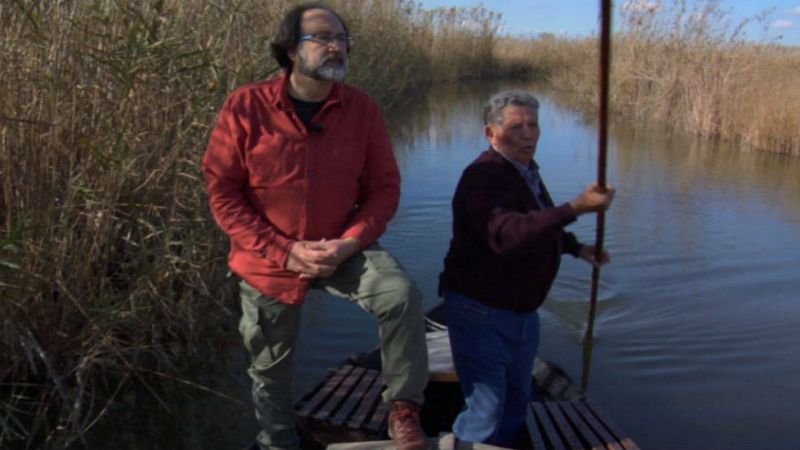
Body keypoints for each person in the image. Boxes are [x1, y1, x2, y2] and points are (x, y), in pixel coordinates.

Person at [202, 4, 430, 450]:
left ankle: (403, 409)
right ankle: (278, 441)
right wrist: (284, 251)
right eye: (322, 37)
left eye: (343, 39)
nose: (336, 46)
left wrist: (349, 243)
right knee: (269, 366)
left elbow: (384, 190)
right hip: (269, 258)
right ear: (289, 50)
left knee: (401, 295)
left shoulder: (362, 109)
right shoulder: (245, 106)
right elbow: (223, 194)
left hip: (343, 246)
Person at [439, 90, 615, 448]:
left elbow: (538, 225)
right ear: (491, 133)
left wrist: (576, 247)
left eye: (533, 125)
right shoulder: (482, 176)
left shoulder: (526, 171)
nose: (527, 134)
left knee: (518, 401)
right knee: (485, 409)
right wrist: (577, 206)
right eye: (516, 126)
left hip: (521, 314)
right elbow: (507, 233)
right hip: (480, 312)